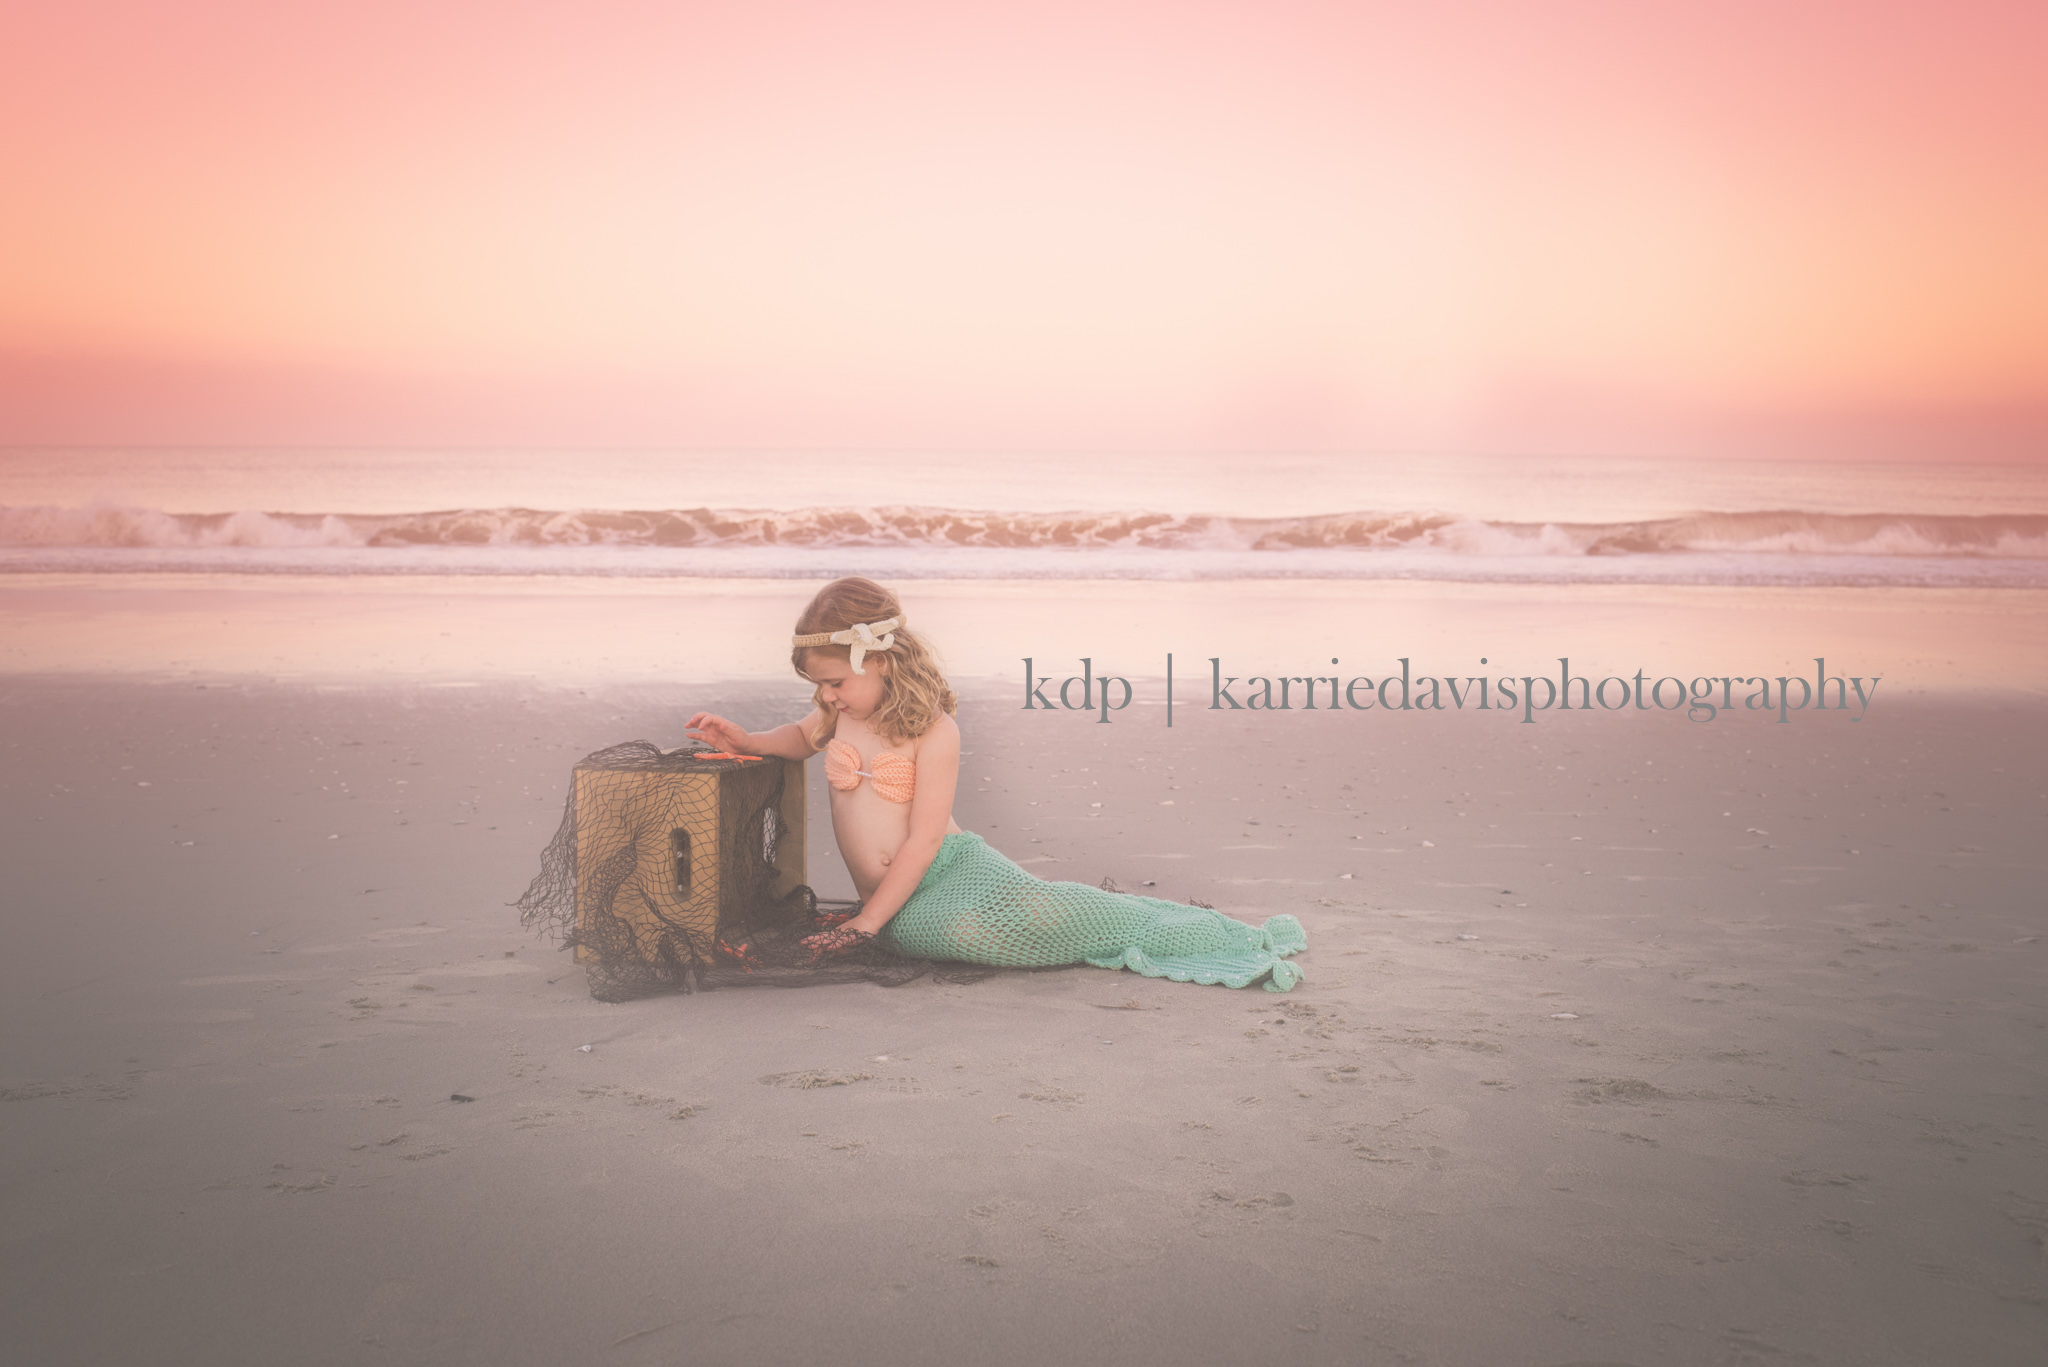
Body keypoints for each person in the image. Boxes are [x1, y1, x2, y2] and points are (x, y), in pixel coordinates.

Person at [684, 577, 1306, 991]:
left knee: (1039, 919)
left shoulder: (933, 731)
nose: (826, 696)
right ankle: (1090, 916)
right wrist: (746, 741)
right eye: (817, 686)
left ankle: (1182, 929)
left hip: (952, 870)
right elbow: (796, 739)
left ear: (883, 660)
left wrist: (865, 926)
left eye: (836, 682)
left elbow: (925, 843)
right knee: (939, 933)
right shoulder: (835, 717)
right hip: (898, 898)